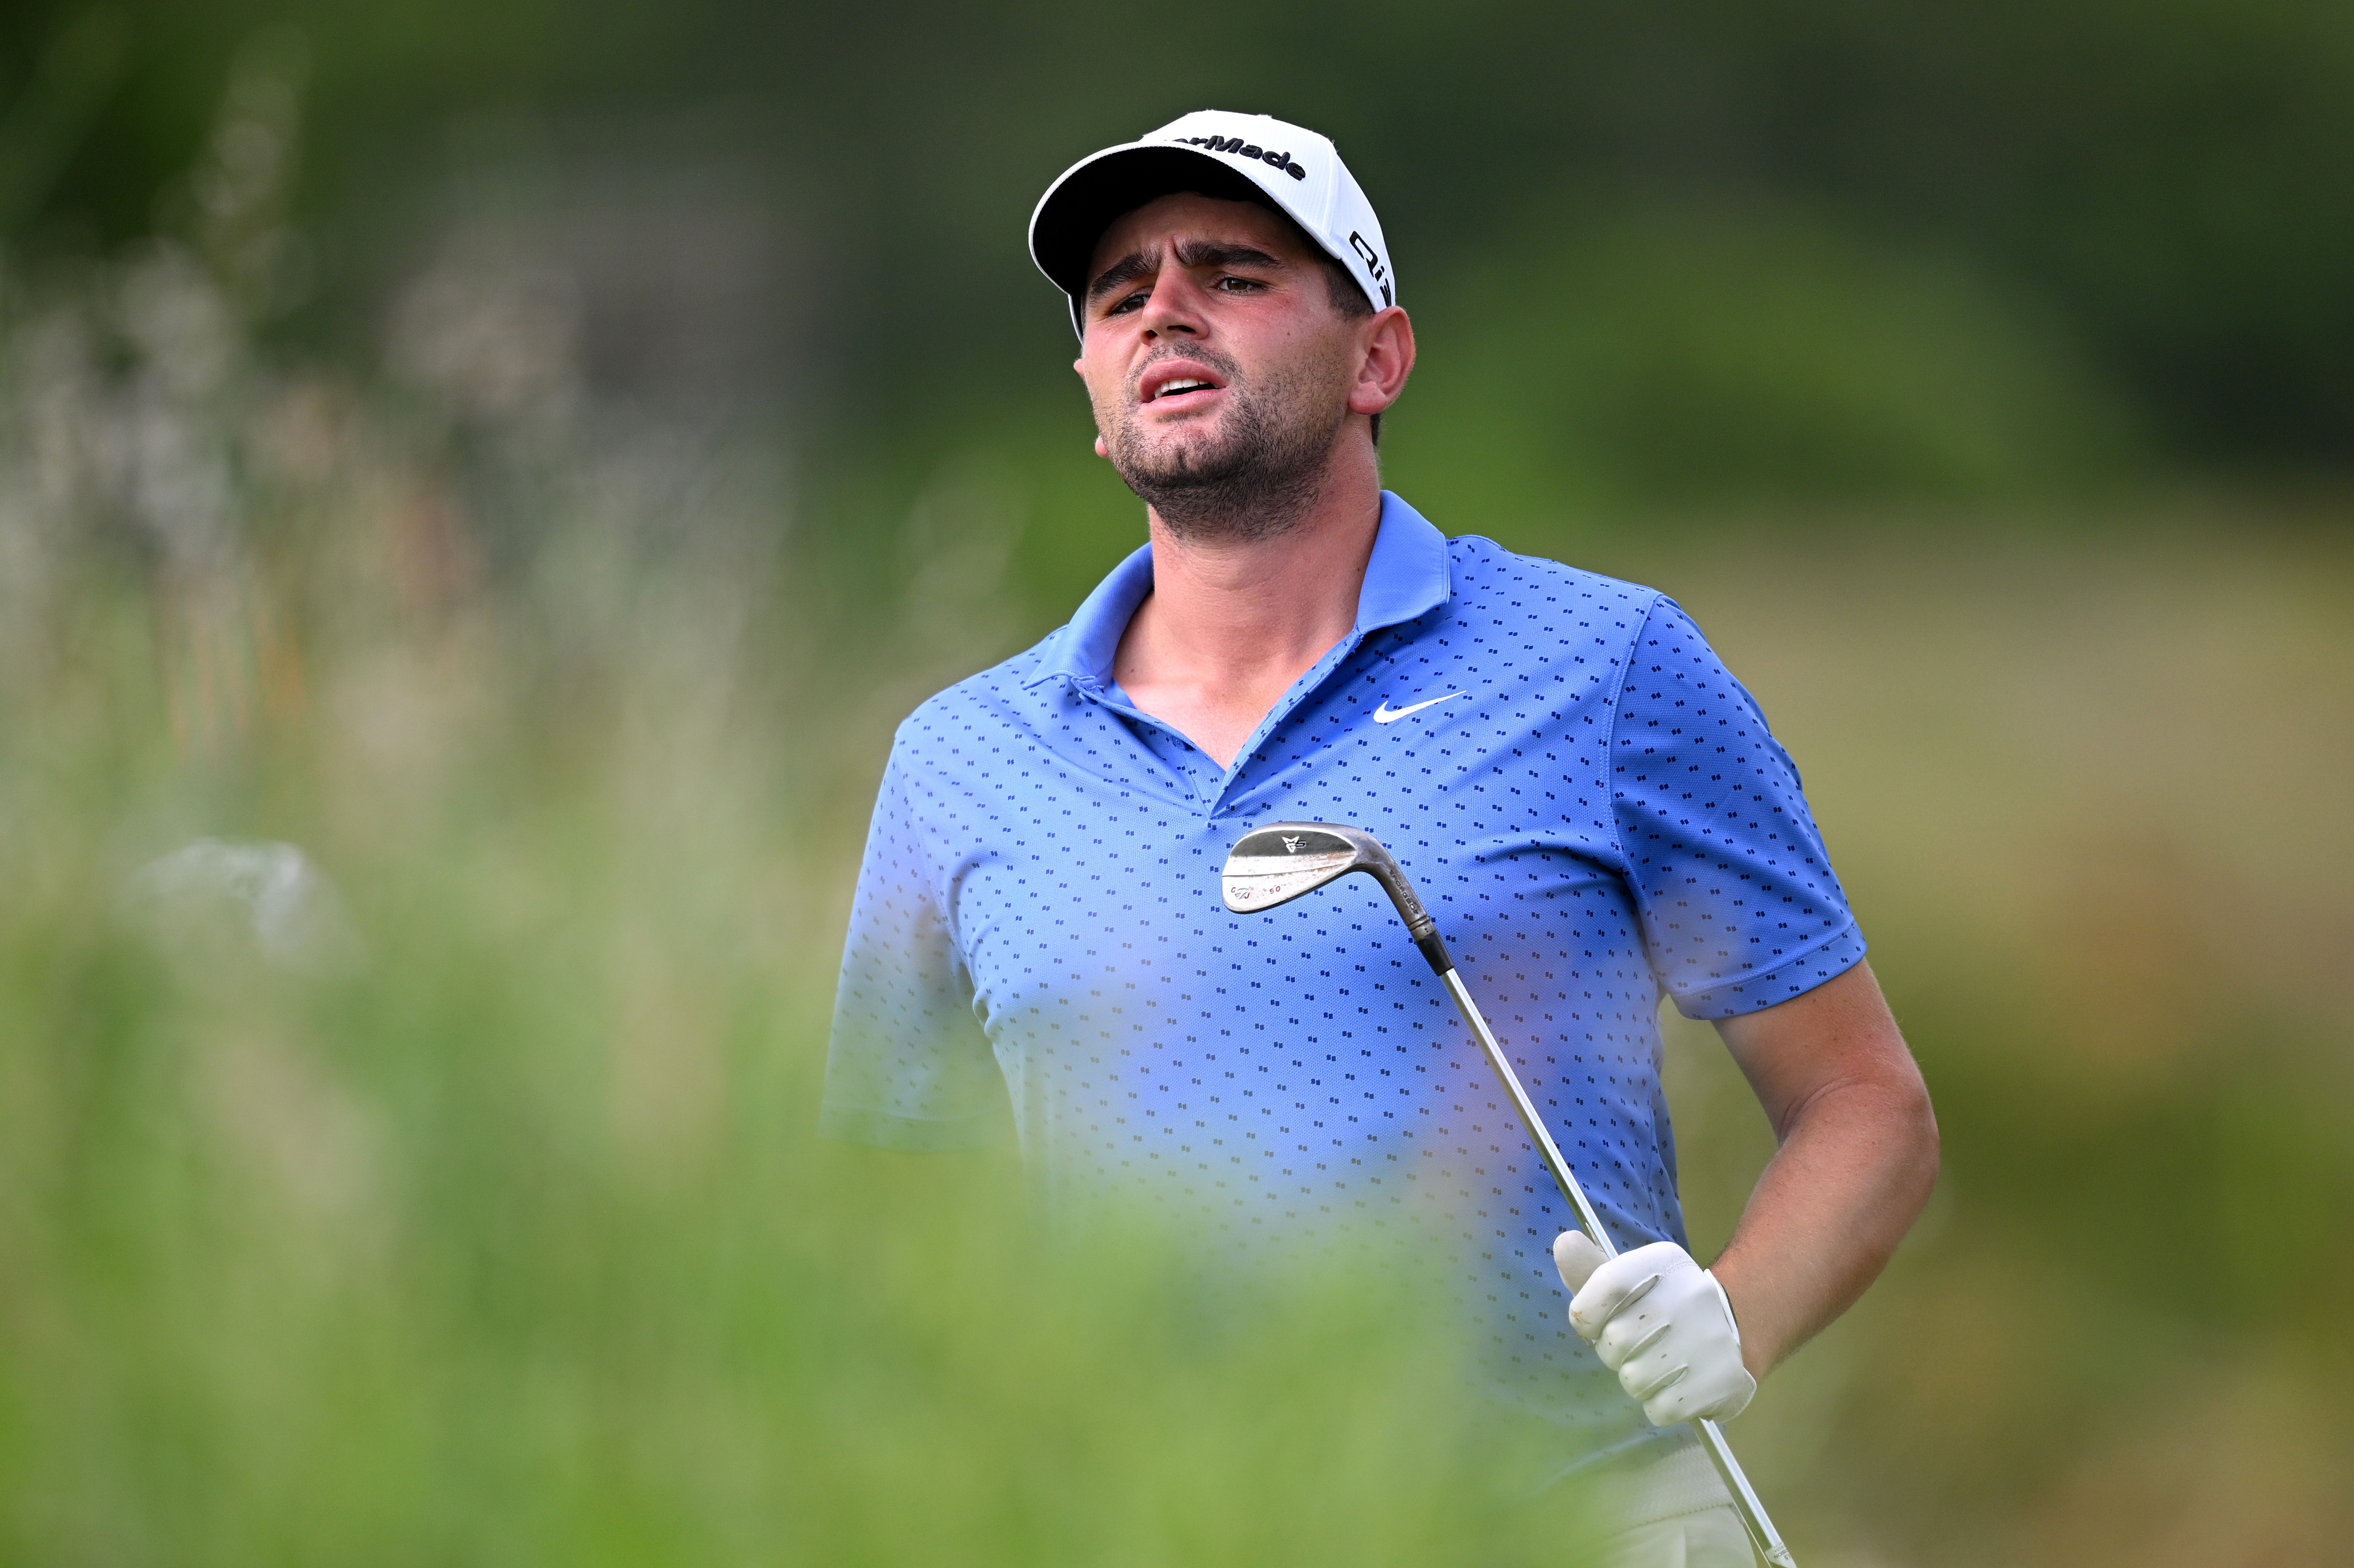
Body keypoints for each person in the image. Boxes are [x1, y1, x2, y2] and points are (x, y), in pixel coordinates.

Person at [823, 109, 1938, 1563]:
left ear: (1377, 358)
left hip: (1575, 1520)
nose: (1164, 305)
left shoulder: (1601, 666)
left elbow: (1866, 1105)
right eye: (1120, 293)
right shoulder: (960, 759)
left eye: (1234, 273)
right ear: (1095, 394)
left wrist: (1738, 1313)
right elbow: (890, 1222)